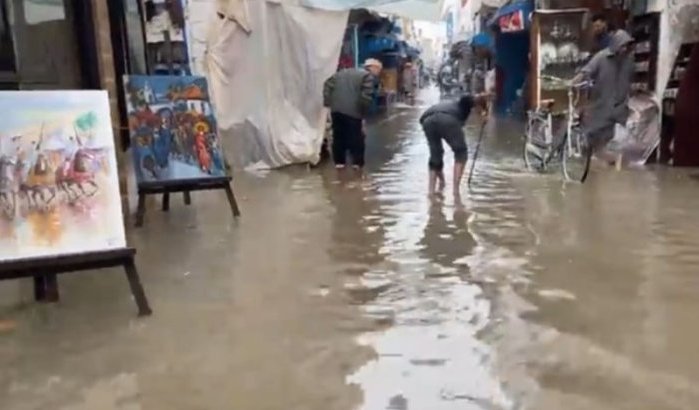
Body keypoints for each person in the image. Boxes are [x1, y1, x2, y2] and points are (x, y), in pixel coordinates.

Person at [573, 30, 634, 160]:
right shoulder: (601, 57)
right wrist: (574, 83)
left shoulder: (629, 61)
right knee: (592, 135)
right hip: (600, 104)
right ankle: (589, 164)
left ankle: (606, 168)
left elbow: (630, 81)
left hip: (619, 107)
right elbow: (586, 71)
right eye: (622, 46)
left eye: (626, 46)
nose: (624, 49)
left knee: (610, 140)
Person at [419, 93, 489, 197]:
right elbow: (470, 99)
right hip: (448, 119)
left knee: (436, 154)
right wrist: (484, 112)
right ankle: (456, 191)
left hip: (427, 120)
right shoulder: (465, 104)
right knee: (461, 152)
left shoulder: (453, 104)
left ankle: (432, 191)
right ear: (478, 106)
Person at [323, 58, 382, 173]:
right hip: (353, 111)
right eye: (379, 70)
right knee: (357, 138)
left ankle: (339, 164)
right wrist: (363, 114)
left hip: (336, 110)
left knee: (338, 137)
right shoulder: (367, 77)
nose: (378, 73)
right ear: (373, 68)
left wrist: (328, 102)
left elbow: (327, 84)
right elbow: (366, 97)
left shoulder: (342, 73)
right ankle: (357, 166)